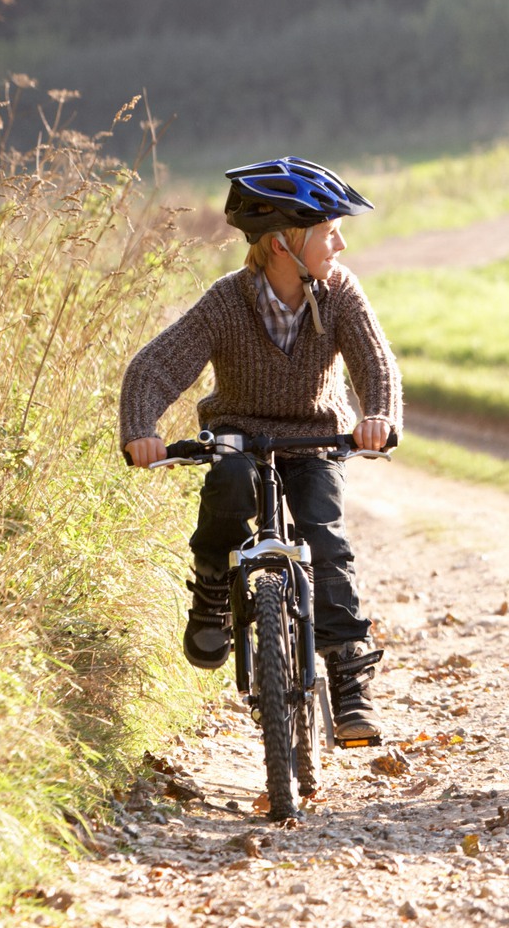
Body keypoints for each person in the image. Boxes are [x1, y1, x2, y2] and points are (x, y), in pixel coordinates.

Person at [121, 157, 402, 742]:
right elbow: (157, 364)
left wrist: (377, 415)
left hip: (315, 438)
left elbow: (376, 362)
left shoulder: (340, 293)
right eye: (329, 232)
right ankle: (213, 584)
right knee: (227, 487)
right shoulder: (227, 301)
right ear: (282, 244)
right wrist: (140, 429)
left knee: (325, 539)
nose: (341, 244)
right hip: (239, 435)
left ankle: (348, 681)